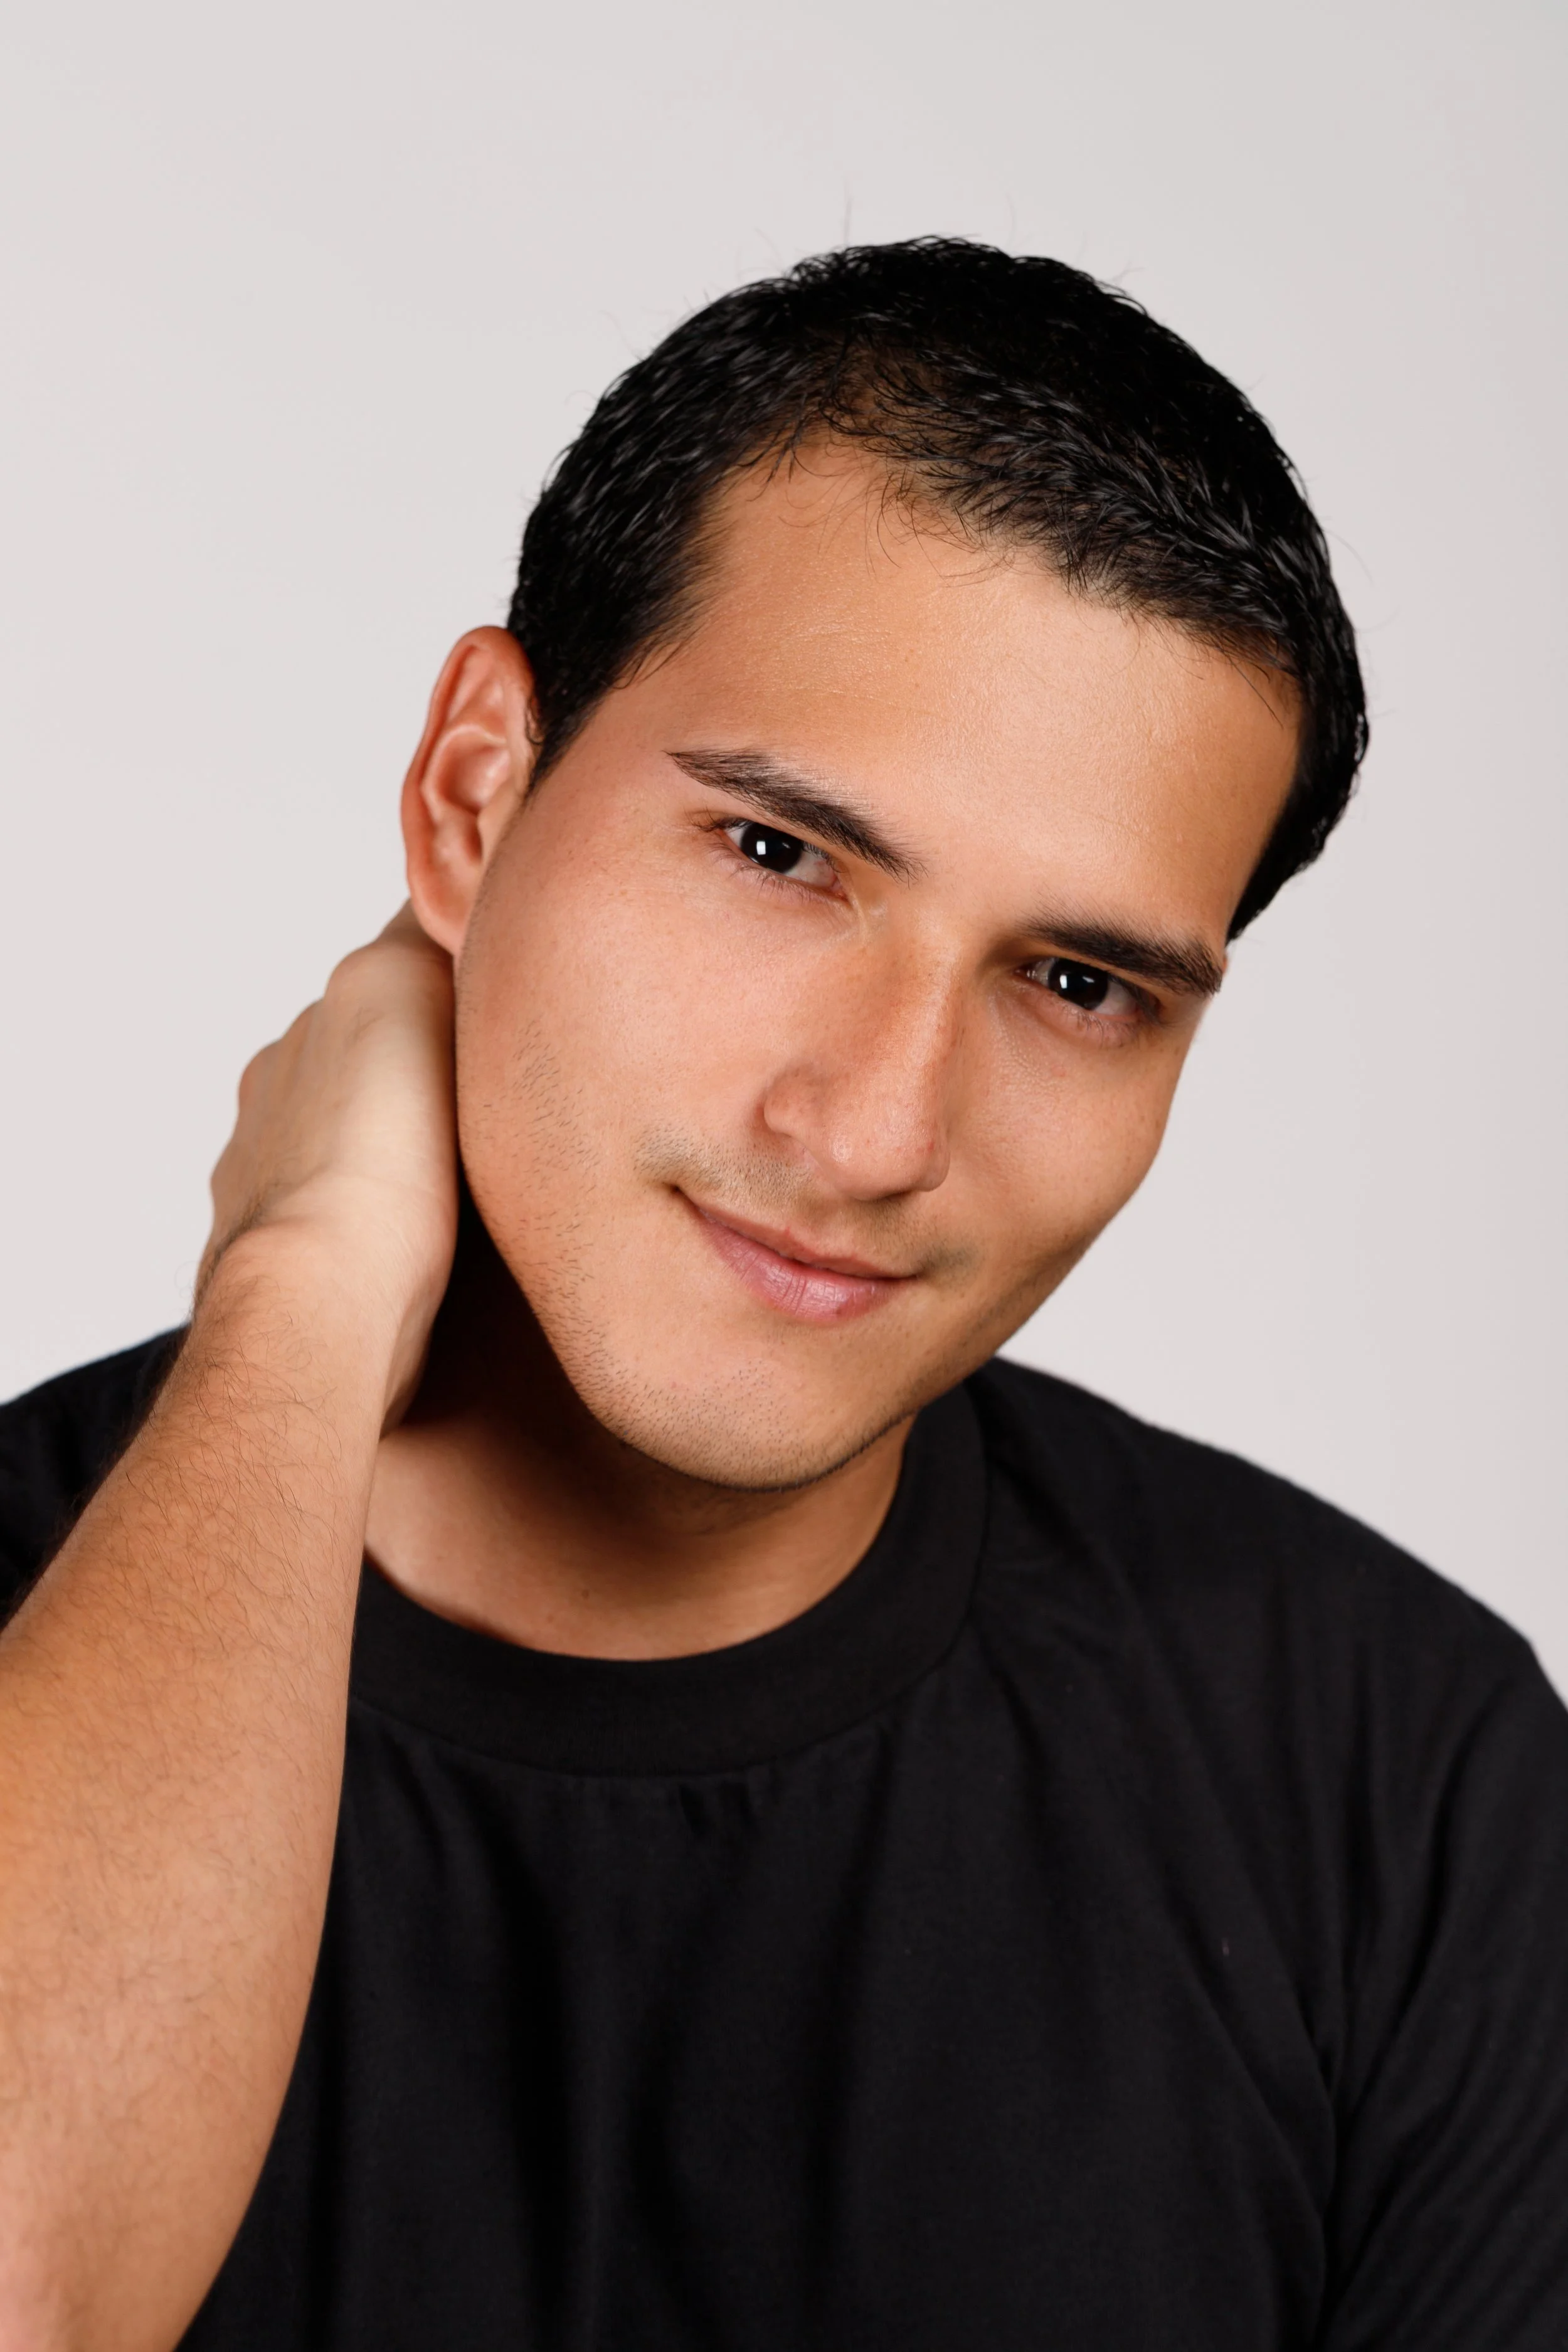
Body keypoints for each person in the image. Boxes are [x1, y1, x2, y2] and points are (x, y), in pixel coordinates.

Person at [0, 238, 1564, 2352]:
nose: (877, 1131)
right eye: (775, 855)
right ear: (475, 795)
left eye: (1075, 982)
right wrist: (299, 1293)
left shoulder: (1395, 1777)